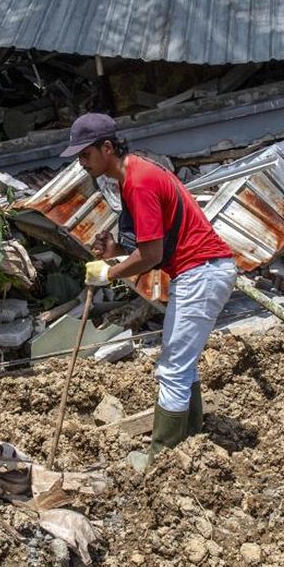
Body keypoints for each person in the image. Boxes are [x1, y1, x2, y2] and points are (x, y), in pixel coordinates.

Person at [62, 113, 238, 470]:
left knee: (173, 369)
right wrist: (114, 253)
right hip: (201, 271)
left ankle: (163, 460)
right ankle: (188, 442)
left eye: (85, 155)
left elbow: (152, 255)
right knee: (182, 365)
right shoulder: (135, 174)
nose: (82, 163)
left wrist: (109, 273)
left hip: (200, 273)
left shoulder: (138, 183)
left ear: (107, 148)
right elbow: (150, 245)